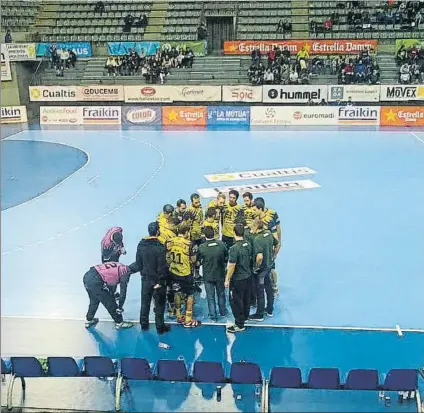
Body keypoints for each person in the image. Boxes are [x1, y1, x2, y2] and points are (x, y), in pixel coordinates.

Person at [136, 222, 170, 335]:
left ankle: (144, 324)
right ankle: (160, 327)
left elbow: (138, 263)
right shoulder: (160, 247)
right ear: (157, 232)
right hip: (157, 280)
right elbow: (162, 267)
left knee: (145, 302)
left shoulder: (141, 245)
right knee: (159, 304)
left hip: (145, 279)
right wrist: (160, 282)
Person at [166, 223, 201, 328]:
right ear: (186, 232)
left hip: (173, 271)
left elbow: (167, 257)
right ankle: (188, 320)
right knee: (190, 295)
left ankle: (179, 316)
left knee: (177, 292)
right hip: (185, 273)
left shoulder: (169, 242)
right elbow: (193, 260)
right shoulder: (189, 244)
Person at [83, 262, 136, 329]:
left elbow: (110, 282)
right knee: (110, 302)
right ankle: (119, 322)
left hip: (88, 276)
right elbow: (123, 293)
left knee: (94, 300)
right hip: (96, 280)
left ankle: (89, 320)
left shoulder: (120, 265)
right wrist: (120, 307)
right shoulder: (125, 274)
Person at [249, 219, 280, 321]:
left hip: (261, 270)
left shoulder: (257, 239)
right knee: (269, 288)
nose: (251, 229)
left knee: (260, 291)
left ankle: (259, 314)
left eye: (252, 227)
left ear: (256, 227)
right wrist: (273, 256)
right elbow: (278, 244)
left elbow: (259, 257)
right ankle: (270, 309)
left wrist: (256, 267)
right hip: (268, 266)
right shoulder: (269, 233)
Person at [224, 224, 252, 333]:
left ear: (234, 232)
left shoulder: (234, 248)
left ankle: (239, 324)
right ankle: (245, 317)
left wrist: (227, 279)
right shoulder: (248, 244)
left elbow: (231, 265)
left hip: (238, 279)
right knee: (246, 298)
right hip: (248, 276)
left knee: (236, 301)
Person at [197, 226, 228, 322]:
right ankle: (223, 312)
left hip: (208, 276)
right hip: (220, 275)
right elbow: (226, 258)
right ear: (214, 233)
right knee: (221, 294)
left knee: (210, 297)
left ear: (204, 235)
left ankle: (213, 316)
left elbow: (197, 262)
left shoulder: (201, 247)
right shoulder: (222, 245)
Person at [253, 197, 282, 295]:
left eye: (255, 209)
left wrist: (274, 254)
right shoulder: (256, 219)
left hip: (269, 250)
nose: (253, 210)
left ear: (260, 208)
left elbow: (276, 239)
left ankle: (274, 287)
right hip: (261, 247)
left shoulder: (270, 220)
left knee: (271, 269)